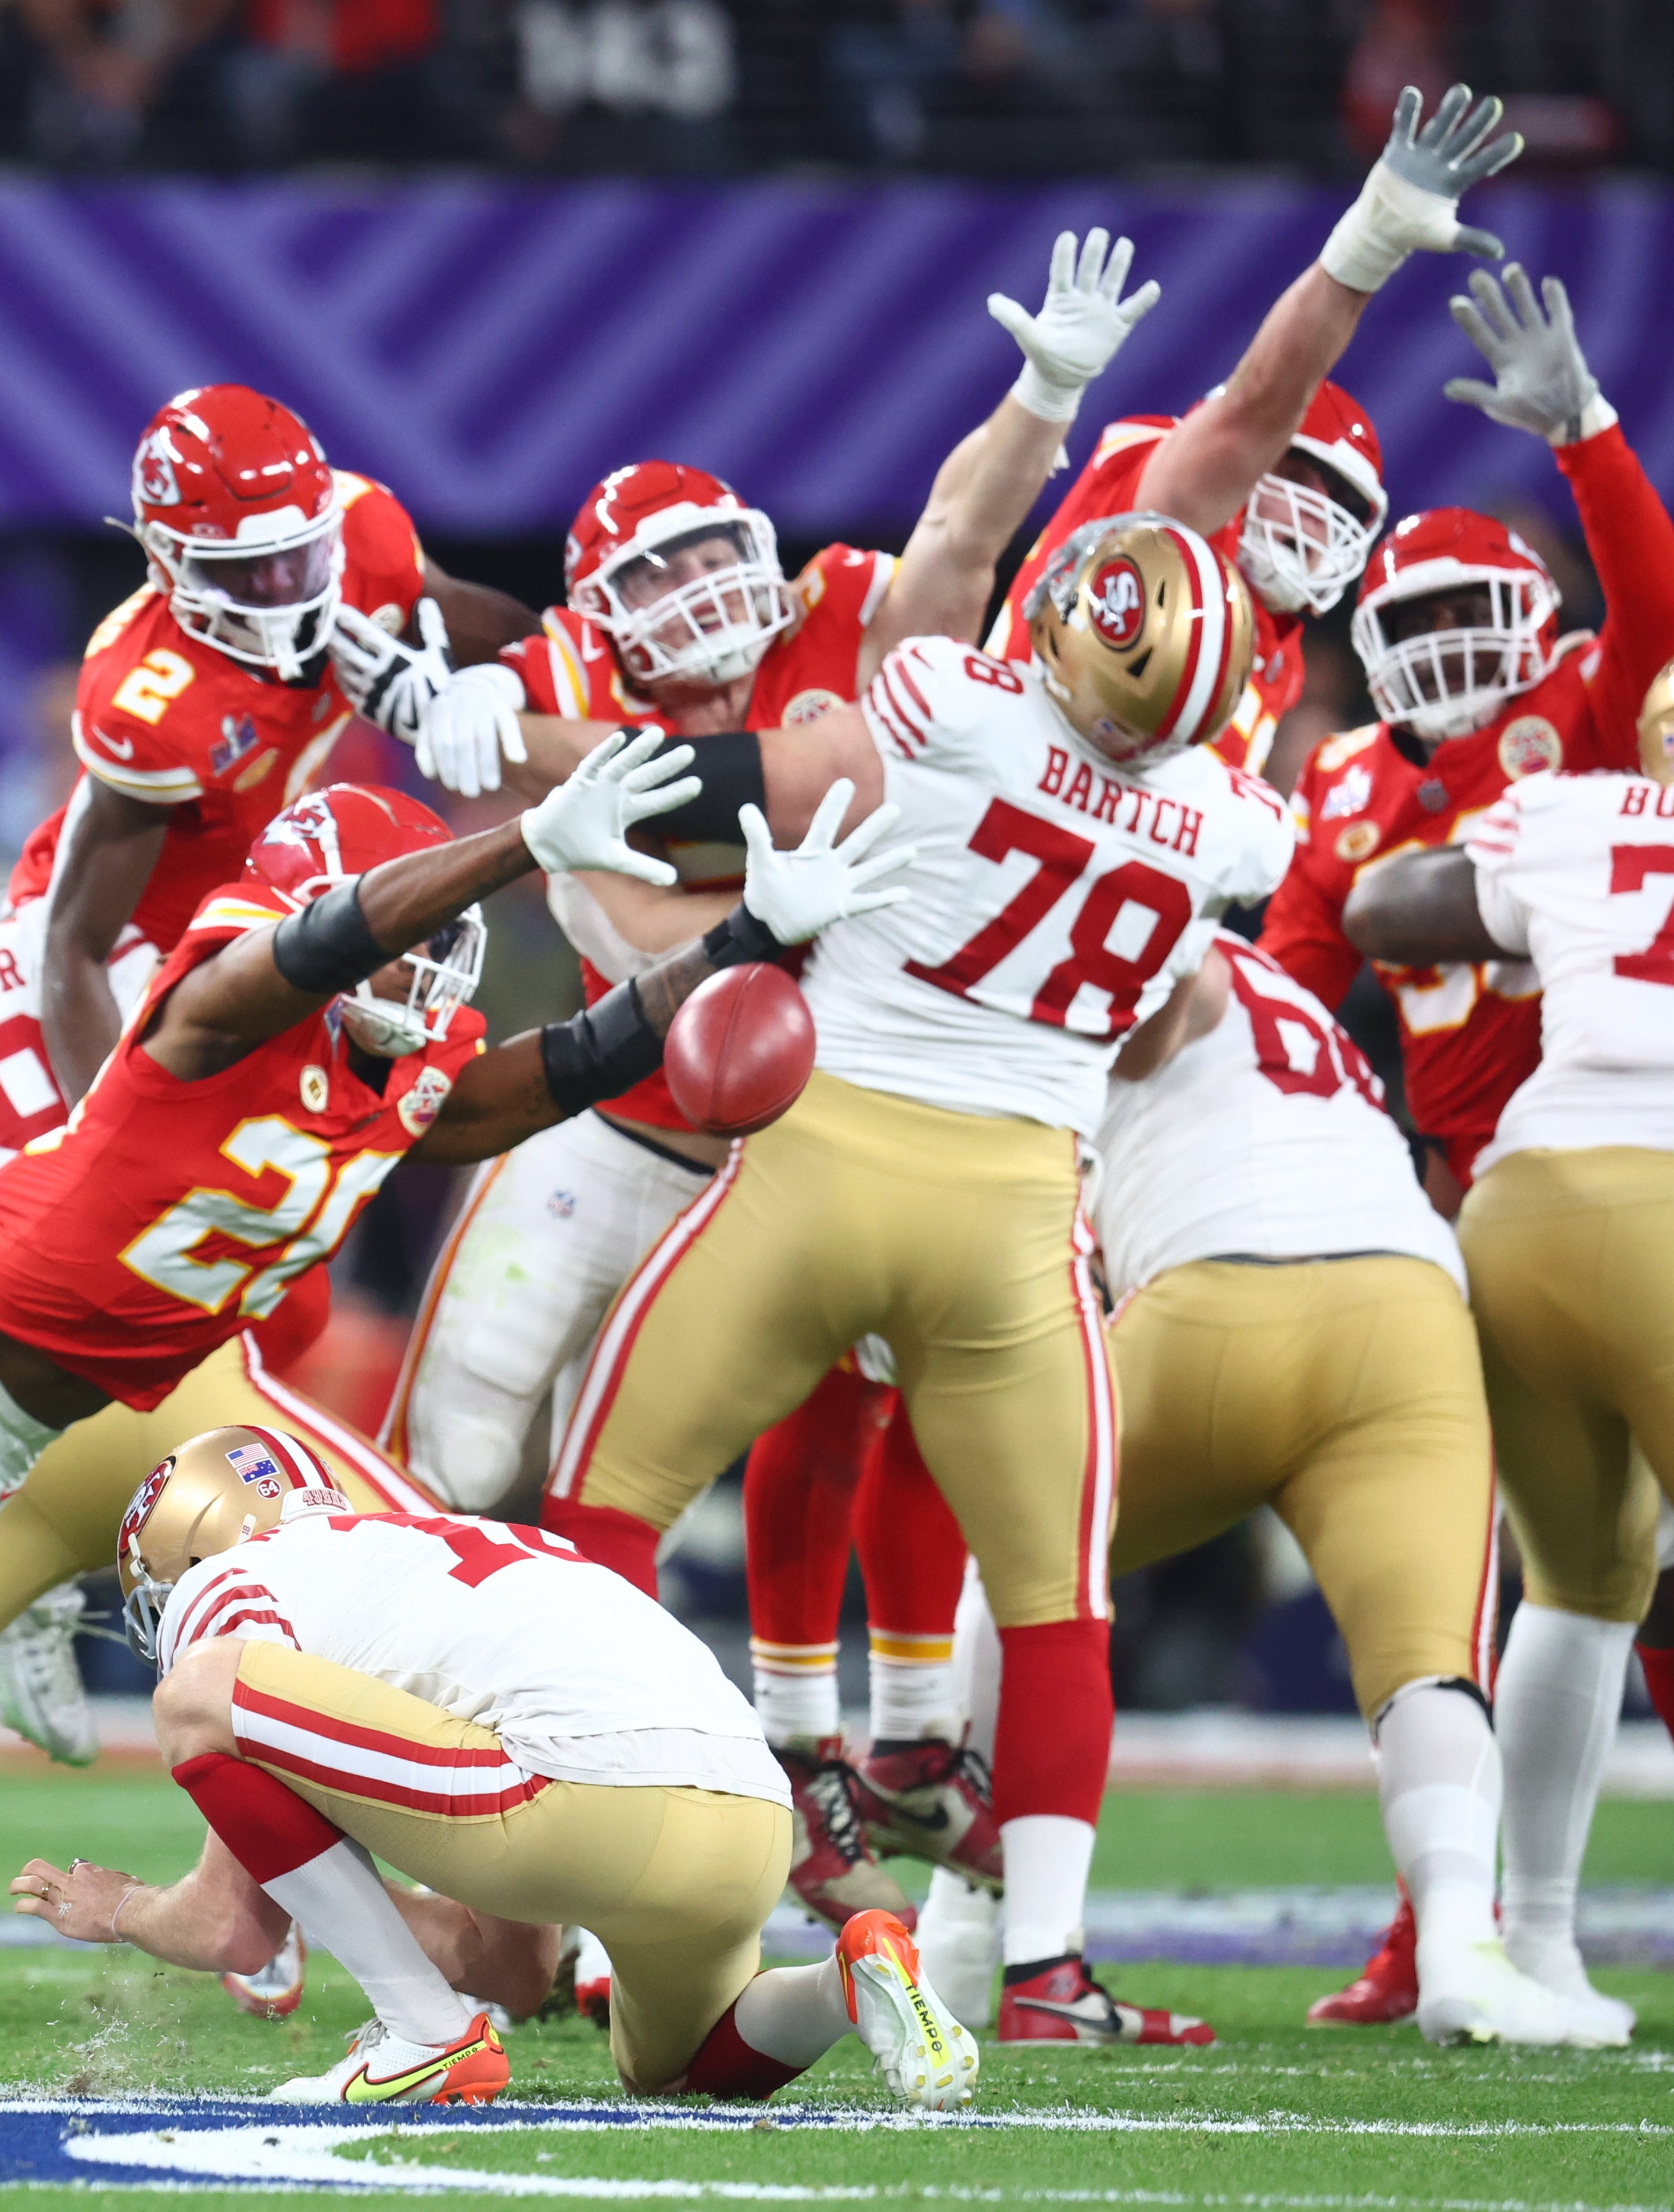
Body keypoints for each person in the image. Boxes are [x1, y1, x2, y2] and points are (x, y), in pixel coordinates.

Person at [0, 734, 904, 2062]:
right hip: (19, 1379)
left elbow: (554, 1065)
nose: (423, 974)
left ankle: (513, 1936)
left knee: (410, 1603)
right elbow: (298, 948)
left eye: (434, 949)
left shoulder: (382, 1055)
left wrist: (742, 940)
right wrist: (515, 840)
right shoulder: (213, 1003)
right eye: (398, 940)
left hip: (90, 1410)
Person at [367, 227, 1160, 1932]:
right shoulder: (547, 692)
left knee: (774, 1433)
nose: (696, 601)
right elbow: (643, 926)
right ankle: (389, 1802)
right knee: (454, 1452)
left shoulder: (847, 619)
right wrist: (514, 737)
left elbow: (957, 539)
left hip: (806, 1137)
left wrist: (1038, 401)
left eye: (711, 560)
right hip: (623, 1121)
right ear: (594, 617)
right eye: (649, 582)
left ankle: (764, 1784)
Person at [539, 513, 1293, 2047]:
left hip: (819, 1157)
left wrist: (560, 800)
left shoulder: (950, 703)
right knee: (1056, 1605)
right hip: (1013, 1211)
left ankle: (618, 1915)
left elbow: (743, 781)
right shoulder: (1230, 821)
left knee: (599, 1508)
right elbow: (1168, 1015)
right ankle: (1047, 1970)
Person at [1248, 265, 1674, 2027]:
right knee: (1485, 1567)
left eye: (1469, 614)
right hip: (1454, 1184)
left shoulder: (1581, 726)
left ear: (1539, 621)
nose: (1444, 650)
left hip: (1532, 1175)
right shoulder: (1356, 778)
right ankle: (1455, 1918)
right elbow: (1294, 974)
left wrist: (1588, 442)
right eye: (1410, 618)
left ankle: (1489, 1925)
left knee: (1588, 1574)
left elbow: (1648, 614)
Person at [922, 933, 1573, 2046]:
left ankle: (964, 1932)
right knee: (1427, 1663)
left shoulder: (1083, 918)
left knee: (1026, 1569)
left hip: (1213, 1286)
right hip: (1406, 1309)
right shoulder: (1273, 987)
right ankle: (1460, 1947)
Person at [5, 1425, 978, 2109]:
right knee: (680, 2073)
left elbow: (228, 1921)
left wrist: (123, 1907)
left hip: (576, 1797)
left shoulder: (232, 1578)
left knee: (194, 1694)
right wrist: (316, 1892)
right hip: (747, 1819)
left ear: (193, 1545)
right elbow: (516, 1968)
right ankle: (847, 1978)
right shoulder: (432, 1560)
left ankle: (423, 2036)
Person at [1336, 657, 1674, 2051]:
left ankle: (1532, 1936)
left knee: (1578, 1588)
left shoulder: (1575, 809)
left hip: (1520, 1209)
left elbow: (1380, 906)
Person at [988, 82, 1525, 787]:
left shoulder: (1280, 650)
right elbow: (1256, 406)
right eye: (1294, 475)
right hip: (994, 810)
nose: (1313, 514)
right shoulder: (1158, 506)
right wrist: (1368, 244)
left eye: (1337, 499)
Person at [9, 383, 533, 1104]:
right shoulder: (148, 697)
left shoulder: (364, 536)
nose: (281, 585)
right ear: (165, 561)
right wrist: (104, 1141)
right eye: (243, 567)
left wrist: (480, 685)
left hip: (264, 919)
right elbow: (73, 948)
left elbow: (526, 645)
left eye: (297, 554)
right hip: (139, 952)